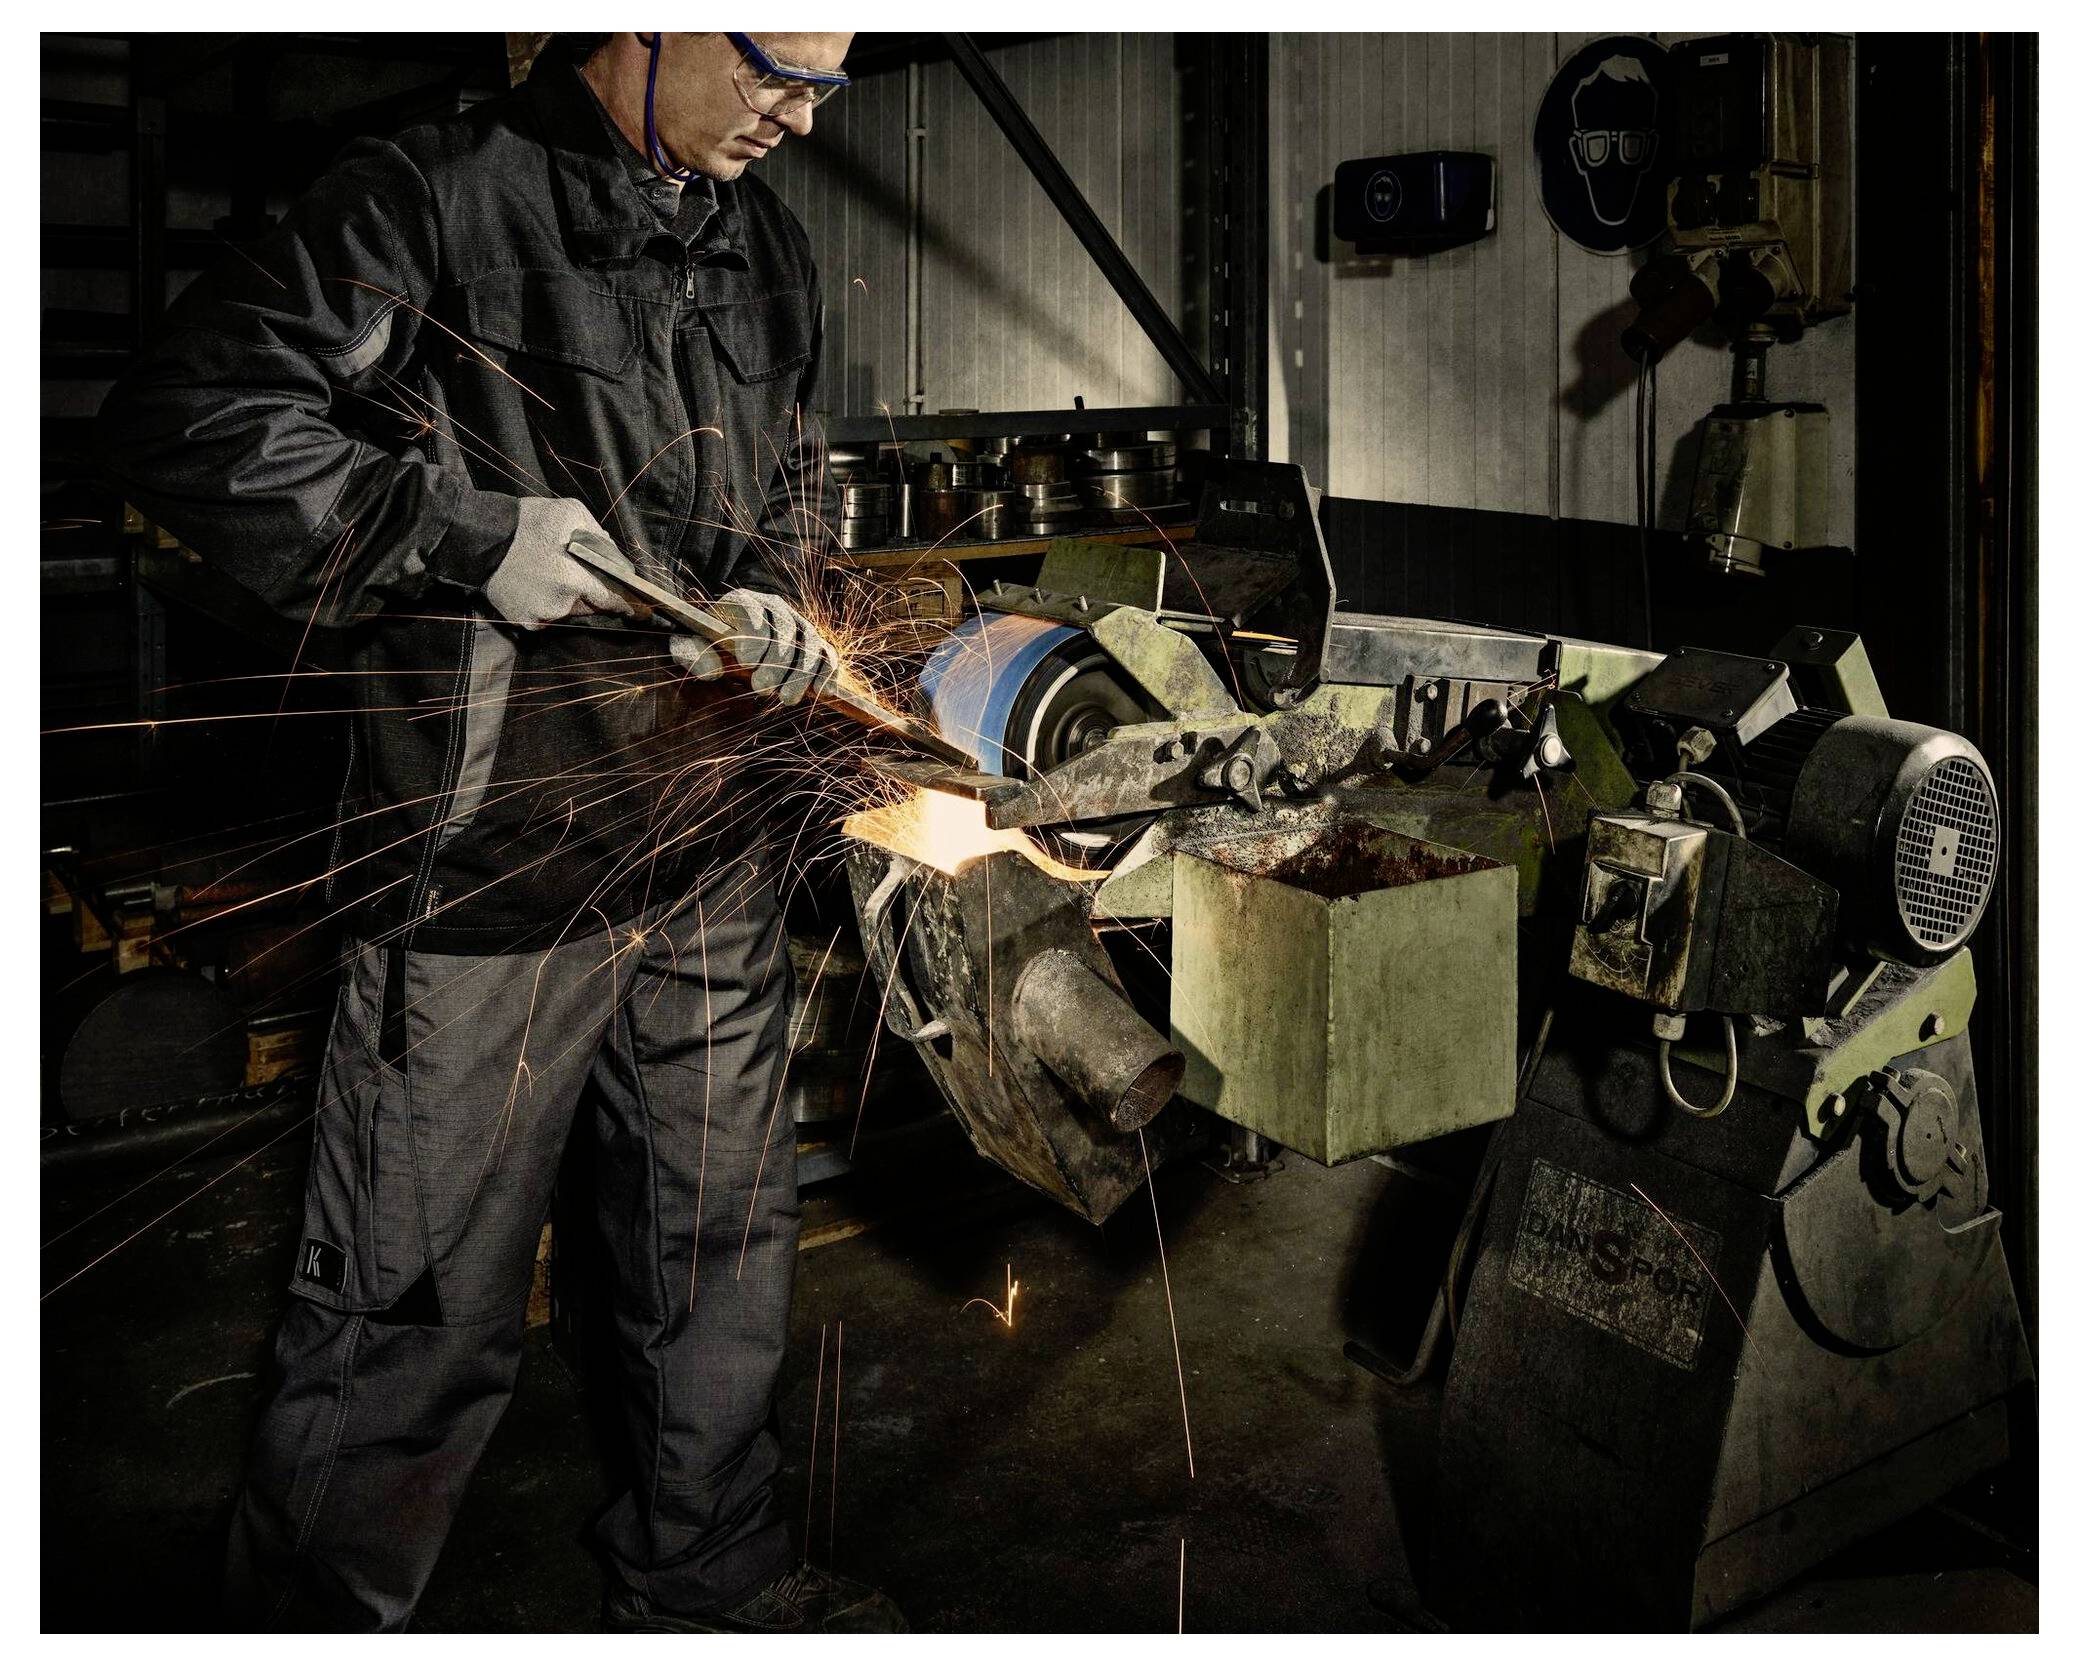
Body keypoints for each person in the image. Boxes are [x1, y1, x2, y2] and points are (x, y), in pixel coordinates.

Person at [97, 30, 905, 1633]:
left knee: (716, 1260)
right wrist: (459, 537)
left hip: (706, 852)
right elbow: (190, 423)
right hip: (490, 880)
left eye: (826, 85)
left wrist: (775, 602)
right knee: (416, 1318)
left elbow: (782, 497)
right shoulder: (436, 199)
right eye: (769, 67)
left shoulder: (770, 245)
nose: (794, 116)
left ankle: (708, 1580)